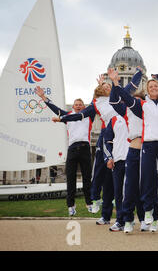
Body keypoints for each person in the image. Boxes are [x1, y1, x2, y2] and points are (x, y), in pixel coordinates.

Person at [53, 69, 142, 221]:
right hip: (108, 134)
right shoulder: (96, 103)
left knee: (128, 176)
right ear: (100, 90)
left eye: (109, 86)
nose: (108, 88)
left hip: (123, 134)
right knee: (102, 172)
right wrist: (61, 119)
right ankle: (99, 203)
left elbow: (132, 85)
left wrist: (139, 72)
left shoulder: (119, 94)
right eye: (104, 87)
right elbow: (79, 116)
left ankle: (130, 213)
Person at [111, 68, 158, 233]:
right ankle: (148, 211)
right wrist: (115, 82)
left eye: (155, 86)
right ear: (147, 90)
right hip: (148, 144)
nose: (153, 88)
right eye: (150, 86)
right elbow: (126, 97)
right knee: (147, 181)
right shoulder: (142, 105)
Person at [35, 86, 93, 216]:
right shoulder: (68, 116)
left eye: (80, 105)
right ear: (73, 107)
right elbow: (55, 109)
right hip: (72, 149)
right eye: (76, 105)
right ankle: (71, 205)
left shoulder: (89, 116)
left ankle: (89, 202)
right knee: (71, 179)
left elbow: (95, 102)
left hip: (85, 148)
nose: (78, 106)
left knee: (87, 178)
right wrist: (43, 97)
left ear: (84, 106)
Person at [103, 115, 129, 232]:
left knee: (135, 191)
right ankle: (120, 221)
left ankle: (142, 219)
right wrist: (109, 158)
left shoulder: (137, 113)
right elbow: (106, 141)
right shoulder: (114, 119)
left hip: (135, 159)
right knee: (118, 192)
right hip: (118, 160)